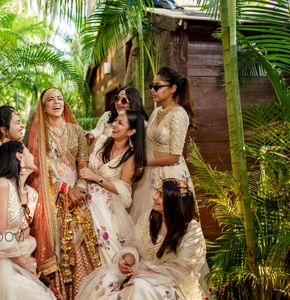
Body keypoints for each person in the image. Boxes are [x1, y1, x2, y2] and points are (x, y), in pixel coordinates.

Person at [76, 178, 206, 300]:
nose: (154, 197)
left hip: (172, 282)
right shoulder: (149, 217)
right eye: (156, 192)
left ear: (174, 201)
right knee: (106, 279)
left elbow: (181, 270)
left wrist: (144, 272)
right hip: (140, 270)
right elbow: (136, 244)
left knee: (140, 287)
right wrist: (127, 260)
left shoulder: (191, 230)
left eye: (161, 195)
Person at [27, 87, 100, 299]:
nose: (56, 102)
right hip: (53, 198)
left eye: (60, 98)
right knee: (60, 241)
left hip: (79, 193)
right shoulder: (39, 135)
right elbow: (39, 171)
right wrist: (66, 190)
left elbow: (83, 165)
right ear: (43, 107)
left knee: (82, 241)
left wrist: (80, 188)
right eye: (50, 99)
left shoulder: (76, 130)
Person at [0, 141, 56, 299]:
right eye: (29, 151)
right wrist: (23, 262)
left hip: (18, 258)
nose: (34, 156)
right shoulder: (1, 185)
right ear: (19, 156)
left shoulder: (32, 194)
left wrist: (30, 266)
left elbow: (24, 234)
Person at [130, 66, 196, 223]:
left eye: (158, 86)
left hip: (171, 177)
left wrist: (145, 162)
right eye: (152, 86)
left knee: (170, 223)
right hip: (151, 176)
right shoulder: (156, 112)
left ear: (173, 88)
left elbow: (174, 157)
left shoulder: (179, 114)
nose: (153, 90)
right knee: (146, 222)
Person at [79, 110, 145, 266]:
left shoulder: (130, 156)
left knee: (109, 249)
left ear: (131, 131)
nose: (114, 125)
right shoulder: (100, 141)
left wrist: (96, 178)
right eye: (115, 120)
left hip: (107, 203)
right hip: (85, 193)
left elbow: (124, 190)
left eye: (120, 123)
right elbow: (84, 165)